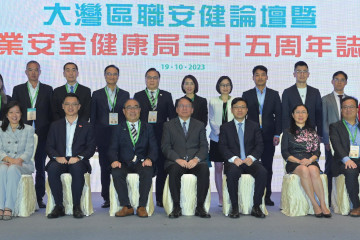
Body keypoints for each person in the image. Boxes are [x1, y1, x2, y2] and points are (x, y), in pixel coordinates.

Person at [46, 93, 96, 219]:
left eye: (74, 104)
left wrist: (79, 157)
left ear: (79, 106)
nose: (70, 107)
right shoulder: (55, 125)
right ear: (62, 106)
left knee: (77, 168)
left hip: (78, 160)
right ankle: (58, 206)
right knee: (52, 169)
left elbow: (91, 148)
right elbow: (49, 146)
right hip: (60, 159)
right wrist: (57, 157)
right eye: (67, 104)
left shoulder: (87, 125)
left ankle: (76, 206)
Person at [12, 60, 53, 208]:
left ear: (40, 72)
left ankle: (39, 197)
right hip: (23, 133)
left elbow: (51, 113)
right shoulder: (18, 89)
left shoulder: (48, 90)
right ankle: (20, 194)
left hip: (42, 133)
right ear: (26, 72)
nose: (33, 73)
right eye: (30, 70)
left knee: (40, 166)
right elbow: (15, 112)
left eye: (36, 70)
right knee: (21, 163)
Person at [134, 68, 176, 207]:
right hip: (144, 136)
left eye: (155, 77)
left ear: (159, 79)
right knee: (145, 166)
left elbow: (172, 118)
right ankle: (143, 198)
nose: (152, 80)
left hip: (162, 136)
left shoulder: (167, 95)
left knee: (162, 168)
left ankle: (160, 198)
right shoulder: (138, 95)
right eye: (149, 77)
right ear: (145, 79)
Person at [161, 97, 210, 218]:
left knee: (204, 170)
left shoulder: (199, 125)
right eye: (181, 106)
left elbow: (204, 146)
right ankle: (176, 207)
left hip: (195, 162)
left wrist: (196, 159)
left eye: (187, 106)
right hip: (176, 161)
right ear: (176, 109)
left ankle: (200, 207)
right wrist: (177, 159)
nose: (184, 108)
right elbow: (165, 146)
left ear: (192, 110)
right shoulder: (168, 125)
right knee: (174, 170)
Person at [219, 97, 267, 218]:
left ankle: (256, 206)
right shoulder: (225, 127)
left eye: (242, 107)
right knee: (232, 173)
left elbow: (260, 145)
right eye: (236, 107)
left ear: (246, 110)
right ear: (231, 110)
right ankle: (234, 207)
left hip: (250, 161)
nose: (239, 110)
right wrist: (234, 158)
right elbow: (223, 147)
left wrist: (251, 157)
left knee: (262, 172)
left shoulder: (254, 126)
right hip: (234, 162)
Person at [108, 99, 158, 218]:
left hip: (141, 162)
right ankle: (126, 206)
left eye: (135, 107)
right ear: (124, 111)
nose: (133, 110)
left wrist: (150, 158)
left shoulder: (148, 127)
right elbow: (112, 148)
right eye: (129, 108)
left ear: (140, 110)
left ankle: (141, 206)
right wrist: (114, 160)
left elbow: (154, 147)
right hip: (123, 163)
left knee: (147, 171)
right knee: (116, 172)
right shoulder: (118, 128)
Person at [281, 104, 331, 218]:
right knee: (304, 170)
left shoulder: (313, 132)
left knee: (313, 170)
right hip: (294, 162)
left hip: (310, 160)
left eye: (303, 112)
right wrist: (299, 161)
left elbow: (317, 152)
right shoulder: (287, 132)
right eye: (297, 112)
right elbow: (285, 153)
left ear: (307, 115)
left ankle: (323, 204)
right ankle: (314, 204)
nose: (300, 115)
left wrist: (309, 160)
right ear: (293, 115)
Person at [90, 65, 129, 208]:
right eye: (109, 74)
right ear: (105, 76)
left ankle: (121, 195)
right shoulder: (97, 94)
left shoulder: (125, 94)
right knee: (105, 167)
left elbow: (127, 117)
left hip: (120, 137)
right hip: (102, 137)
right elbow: (93, 118)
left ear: (118, 76)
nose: (112, 76)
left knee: (120, 167)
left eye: (114, 74)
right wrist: (93, 139)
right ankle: (106, 197)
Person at [242, 65, 282, 206]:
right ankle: (252, 194)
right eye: (257, 75)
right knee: (250, 164)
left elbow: (279, 115)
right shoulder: (246, 94)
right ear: (253, 77)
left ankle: (267, 196)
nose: (260, 77)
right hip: (251, 136)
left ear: (267, 77)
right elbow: (242, 116)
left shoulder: (274, 94)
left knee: (267, 166)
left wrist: (277, 133)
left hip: (269, 135)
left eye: (262, 74)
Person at [0, 101, 35, 220]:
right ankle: (0, 206)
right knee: (3, 168)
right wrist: (9, 159)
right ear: (6, 114)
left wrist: (17, 160)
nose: (14, 115)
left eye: (17, 112)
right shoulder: (0, 128)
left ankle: (8, 207)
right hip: (5, 161)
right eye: (11, 112)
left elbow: (29, 151)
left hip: (23, 163)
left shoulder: (29, 129)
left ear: (21, 114)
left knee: (13, 168)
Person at [330, 96, 360, 217]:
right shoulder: (335, 126)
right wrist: (347, 159)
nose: (348, 109)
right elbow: (337, 146)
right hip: (343, 162)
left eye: (351, 107)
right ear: (341, 110)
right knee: (351, 170)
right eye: (345, 107)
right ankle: (357, 206)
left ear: (357, 109)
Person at [322, 71, 348, 203]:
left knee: (345, 167)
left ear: (346, 82)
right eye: (336, 79)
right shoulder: (325, 99)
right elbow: (324, 121)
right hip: (331, 141)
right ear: (332, 81)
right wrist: (326, 140)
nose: (339, 82)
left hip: (347, 141)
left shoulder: (350, 100)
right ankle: (327, 197)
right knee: (330, 168)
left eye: (342, 80)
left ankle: (342, 198)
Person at [209, 76, 234, 206]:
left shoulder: (235, 101)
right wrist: (219, 132)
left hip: (232, 141)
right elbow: (211, 119)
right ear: (218, 86)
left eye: (227, 85)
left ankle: (230, 194)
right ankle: (220, 197)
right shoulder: (212, 101)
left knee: (231, 168)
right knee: (218, 168)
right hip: (216, 138)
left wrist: (228, 134)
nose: (225, 87)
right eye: (222, 85)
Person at [282, 61, 322, 137]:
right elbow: (285, 116)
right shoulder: (287, 92)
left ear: (308, 74)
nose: (302, 74)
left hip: (311, 133)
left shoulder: (315, 92)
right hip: (293, 133)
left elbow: (319, 115)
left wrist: (319, 134)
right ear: (294, 74)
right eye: (299, 71)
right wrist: (286, 134)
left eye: (304, 71)